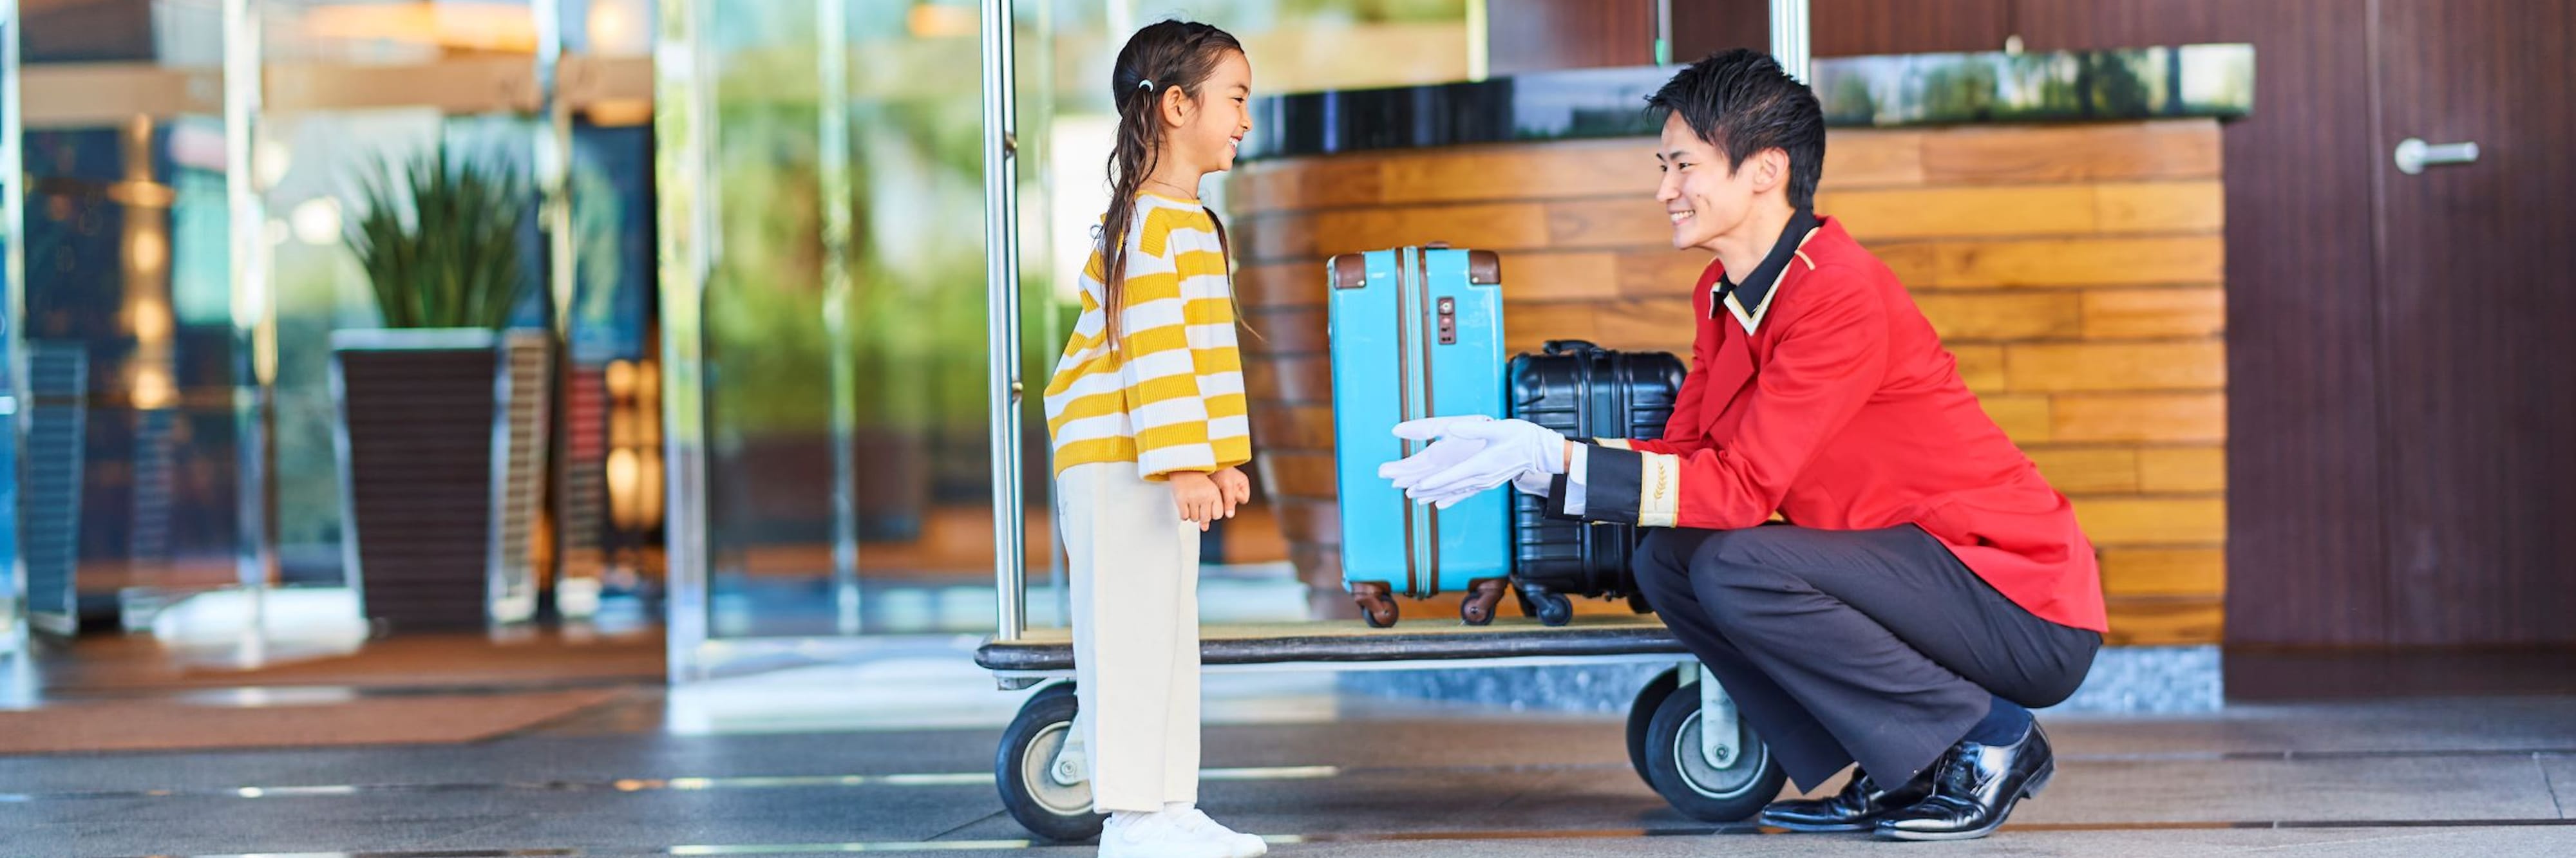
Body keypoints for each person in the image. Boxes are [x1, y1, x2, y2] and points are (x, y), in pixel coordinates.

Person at [1378, 49, 2107, 843]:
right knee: (1669, 559)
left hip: (2014, 601)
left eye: (1683, 165)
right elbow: (1691, 450)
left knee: (1737, 561)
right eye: (1663, 166)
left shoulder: (1839, 293)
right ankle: (1901, 758)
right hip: (1917, 578)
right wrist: (1539, 455)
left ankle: (1987, 738)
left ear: (1765, 170)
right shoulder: (1726, 294)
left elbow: (1743, 488)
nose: (1664, 190)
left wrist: (1555, 459)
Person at [1038, 19, 1265, 858]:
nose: (1245, 120)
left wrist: (1220, 456)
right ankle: (1132, 819)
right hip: (1117, 457)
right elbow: (1157, 348)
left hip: (1150, 459)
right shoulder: (1148, 219)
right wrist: (1182, 459)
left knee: (1166, 637)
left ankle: (1167, 805)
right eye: (1235, 99)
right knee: (1128, 637)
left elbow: (1206, 351)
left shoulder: (1186, 219)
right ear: (1177, 106)